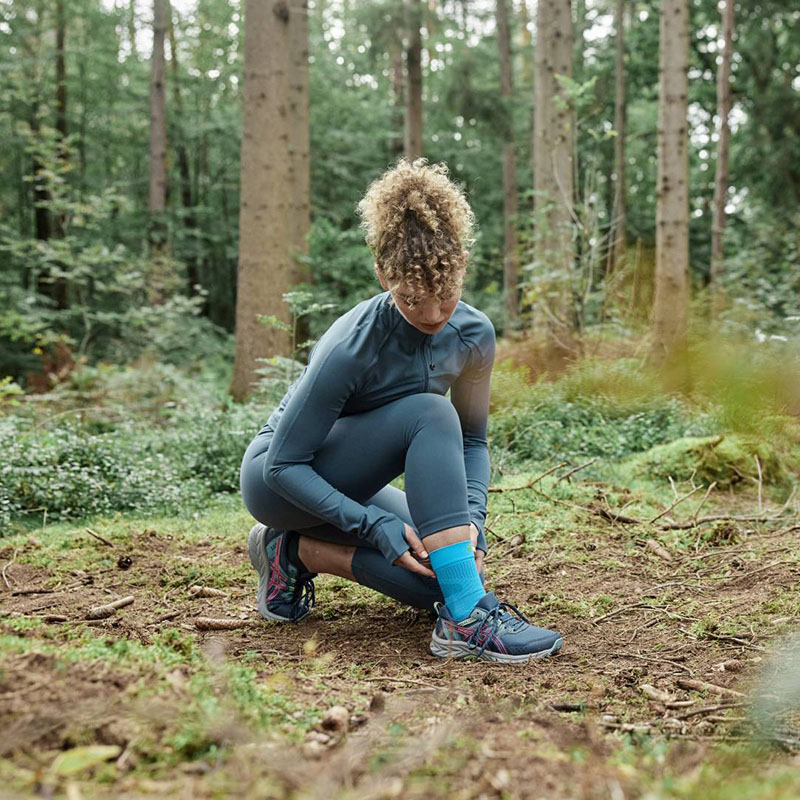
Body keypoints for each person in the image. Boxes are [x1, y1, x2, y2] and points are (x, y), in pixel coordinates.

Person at [239, 158, 562, 662]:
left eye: (447, 295)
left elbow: (474, 441)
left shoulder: (475, 336)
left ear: (462, 269)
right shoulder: (352, 346)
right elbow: (283, 465)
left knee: (442, 576)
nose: (433, 315)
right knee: (432, 413)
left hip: (354, 482)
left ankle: (292, 553)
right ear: (383, 275)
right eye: (412, 299)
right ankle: (468, 625)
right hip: (280, 482)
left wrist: (472, 522)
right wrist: (370, 526)